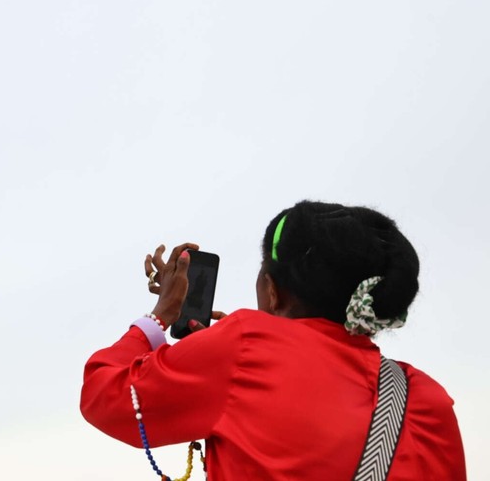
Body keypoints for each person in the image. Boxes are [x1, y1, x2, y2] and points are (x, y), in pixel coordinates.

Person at [80, 201, 466, 479]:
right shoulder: (429, 400)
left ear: (273, 289)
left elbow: (104, 395)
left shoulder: (244, 348)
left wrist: (160, 316)